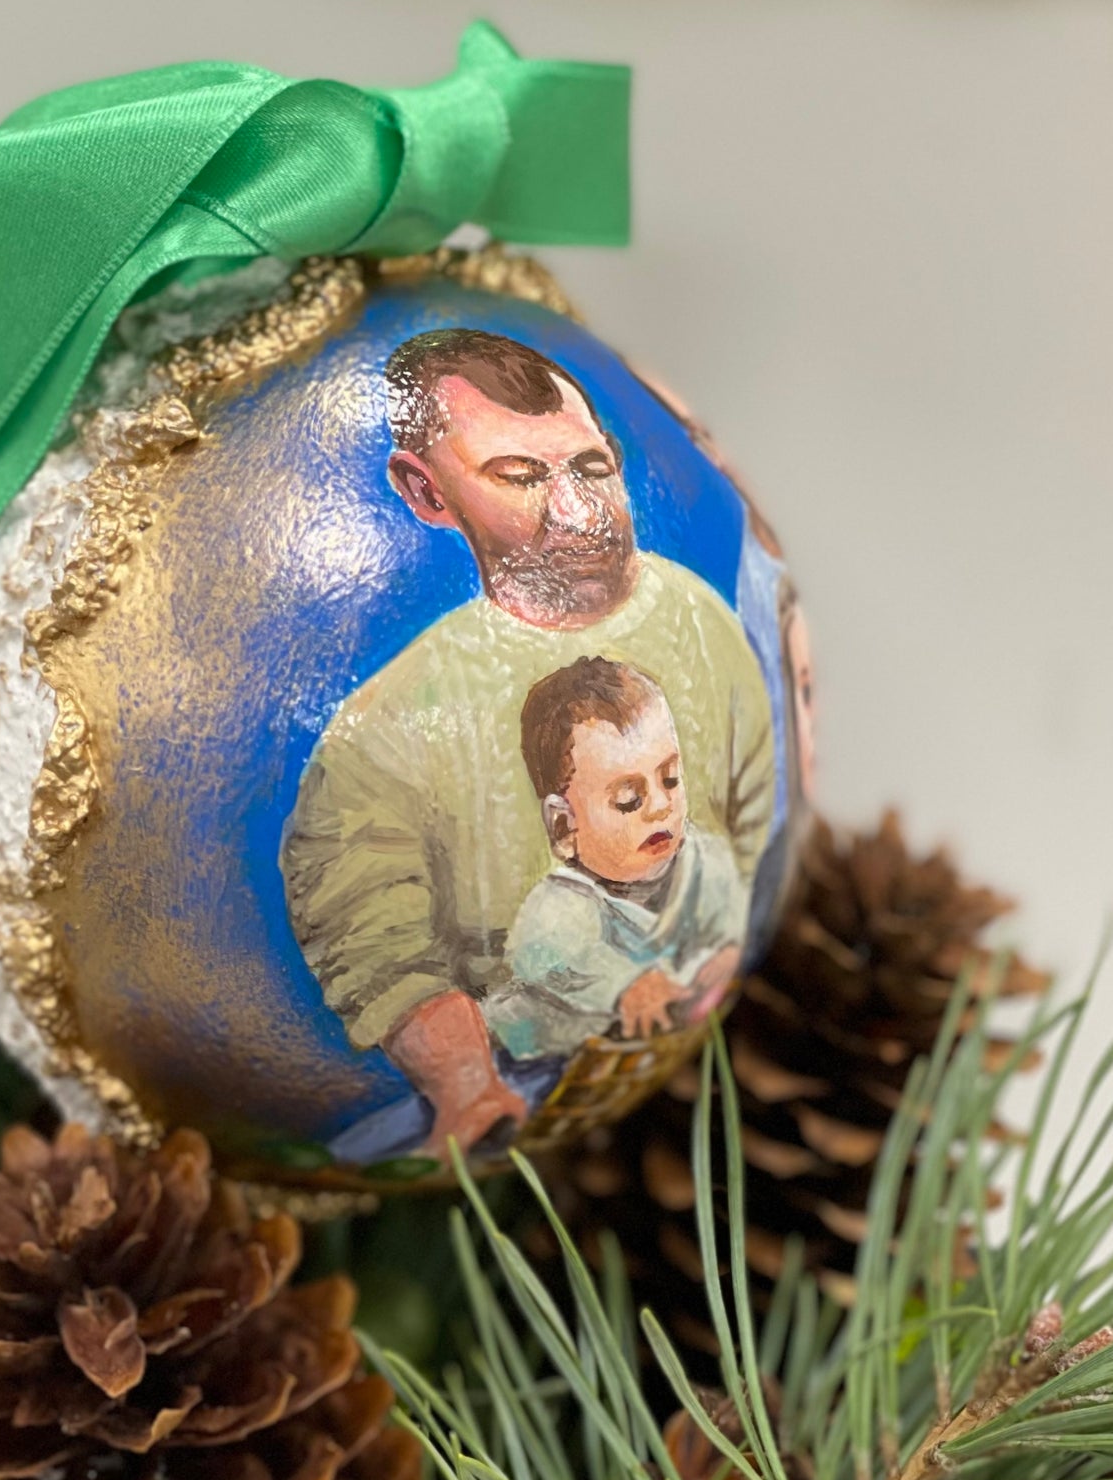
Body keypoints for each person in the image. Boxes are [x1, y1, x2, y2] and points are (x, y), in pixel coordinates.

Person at [280, 326, 773, 1163]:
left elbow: (752, 835)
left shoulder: (706, 626)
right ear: (427, 491)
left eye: (591, 467)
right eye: (521, 477)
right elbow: (377, 946)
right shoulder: (383, 735)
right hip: (516, 1086)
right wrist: (468, 1085)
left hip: (700, 1077)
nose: (579, 512)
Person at [484, 657, 744, 1068]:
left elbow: (734, 911)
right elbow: (544, 957)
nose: (660, 807)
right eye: (628, 800)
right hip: (535, 1059)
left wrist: (723, 958)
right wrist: (627, 986)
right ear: (564, 827)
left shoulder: (705, 861)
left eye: (670, 778)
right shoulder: (561, 905)